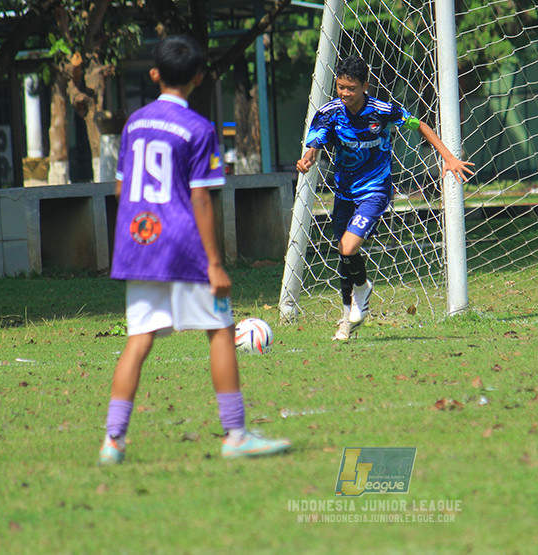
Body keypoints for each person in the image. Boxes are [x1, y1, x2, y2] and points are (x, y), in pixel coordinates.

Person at [99, 34, 290, 465]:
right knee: (221, 332)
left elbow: (120, 188)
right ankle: (236, 434)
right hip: (183, 247)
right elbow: (202, 199)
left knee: (138, 340)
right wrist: (215, 264)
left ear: (154, 75)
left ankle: (113, 440)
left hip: (139, 244)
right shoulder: (199, 128)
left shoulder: (134, 123)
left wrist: (133, 238)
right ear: (200, 78)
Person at [296, 55, 474, 341]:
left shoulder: (383, 110)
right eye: (341, 87)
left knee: (348, 245)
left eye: (351, 88)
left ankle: (364, 290)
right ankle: (347, 318)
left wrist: (449, 157)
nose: (345, 93)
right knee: (344, 254)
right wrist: (307, 160)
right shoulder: (329, 112)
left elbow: (420, 126)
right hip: (342, 192)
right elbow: (314, 146)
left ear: (365, 86)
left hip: (376, 190)